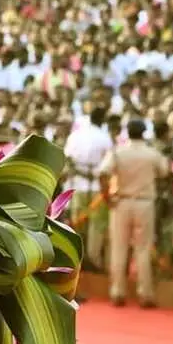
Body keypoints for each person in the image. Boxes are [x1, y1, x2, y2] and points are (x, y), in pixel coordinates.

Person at [98, 118, 169, 307]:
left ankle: (117, 292)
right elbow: (164, 171)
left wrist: (106, 197)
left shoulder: (118, 152)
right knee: (143, 248)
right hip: (144, 203)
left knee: (119, 248)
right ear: (144, 133)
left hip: (121, 201)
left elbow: (102, 173)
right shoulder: (152, 154)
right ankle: (145, 294)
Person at [63, 106, 113, 271]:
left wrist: (82, 173)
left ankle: (76, 260)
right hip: (96, 188)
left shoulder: (75, 135)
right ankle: (94, 260)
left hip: (77, 185)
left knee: (77, 222)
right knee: (97, 225)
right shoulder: (105, 137)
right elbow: (108, 166)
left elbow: (68, 160)